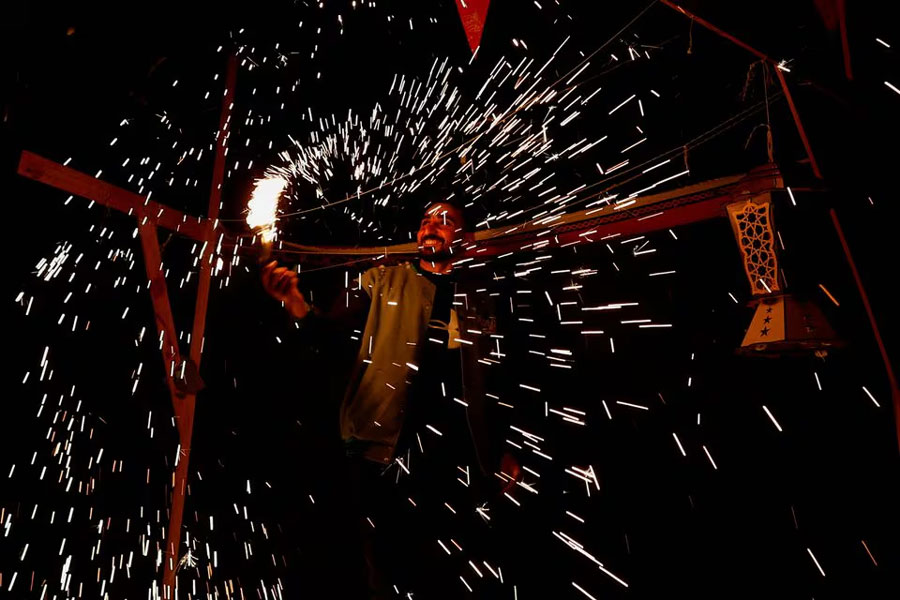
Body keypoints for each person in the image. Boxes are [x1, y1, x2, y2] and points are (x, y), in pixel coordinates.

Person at [261, 198, 520, 598]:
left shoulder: (478, 298)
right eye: (425, 221)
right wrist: (295, 300)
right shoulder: (382, 279)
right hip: (382, 446)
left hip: (453, 454)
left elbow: (493, 378)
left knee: (449, 564)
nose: (431, 227)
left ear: (463, 239)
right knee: (383, 563)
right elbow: (327, 334)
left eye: (444, 222)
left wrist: (498, 447)